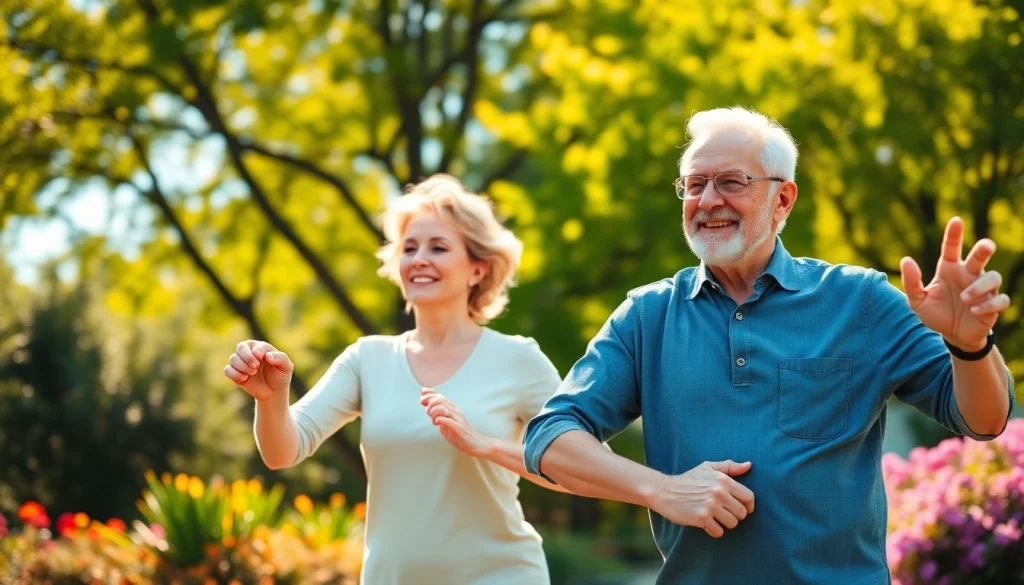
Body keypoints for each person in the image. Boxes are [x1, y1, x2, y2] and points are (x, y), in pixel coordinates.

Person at [522, 107, 1015, 584]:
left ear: (783, 200)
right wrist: (663, 490)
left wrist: (969, 344)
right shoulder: (647, 316)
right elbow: (548, 437)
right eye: (694, 185)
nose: (708, 199)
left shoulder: (860, 301)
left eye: (731, 182)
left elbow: (984, 419)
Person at [224, 174, 570, 585]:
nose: (419, 259)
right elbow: (283, 452)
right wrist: (271, 400)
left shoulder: (518, 359)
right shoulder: (367, 359)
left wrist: (486, 446)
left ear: (477, 269)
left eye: (438, 247)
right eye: (409, 248)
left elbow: (583, 469)